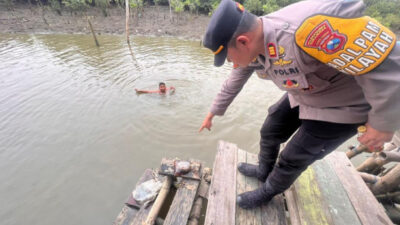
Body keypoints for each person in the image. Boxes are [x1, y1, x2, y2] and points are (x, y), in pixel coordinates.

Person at [199, 0, 400, 209]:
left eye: (228, 57)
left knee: (293, 156)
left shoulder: (310, 30)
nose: (231, 62)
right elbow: (236, 77)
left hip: (343, 107)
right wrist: (214, 111)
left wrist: (383, 124)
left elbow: (390, 67)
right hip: (307, 91)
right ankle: (263, 170)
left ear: (242, 42)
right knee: (270, 130)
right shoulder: (255, 37)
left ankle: (268, 192)